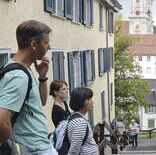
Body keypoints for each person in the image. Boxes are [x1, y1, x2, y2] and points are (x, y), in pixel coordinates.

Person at [0, 20, 58, 154]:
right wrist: (13, 150)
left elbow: (41, 102)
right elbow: (2, 120)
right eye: (46, 43)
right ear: (33, 44)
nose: (49, 47)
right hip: (35, 150)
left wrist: (42, 77)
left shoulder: (20, 68)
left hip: (39, 146)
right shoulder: (19, 76)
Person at [67, 87, 98, 154]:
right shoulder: (79, 123)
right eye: (89, 99)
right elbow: (74, 149)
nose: (92, 102)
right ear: (80, 101)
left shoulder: (75, 117)